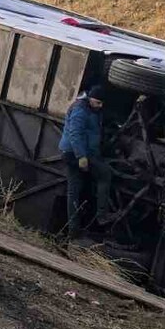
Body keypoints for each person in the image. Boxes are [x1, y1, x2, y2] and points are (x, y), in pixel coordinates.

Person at [59, 85, 112, 239]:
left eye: (102, 103)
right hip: (75, 154)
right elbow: (75, 134)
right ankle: (102, 216)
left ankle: (73, 230)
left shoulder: (92, 109)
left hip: (76, 153)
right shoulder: (80, 110)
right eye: (98, 103)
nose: (100, 106)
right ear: (90, 98)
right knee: (105, 174)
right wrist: (81, 157)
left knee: (74, 191)